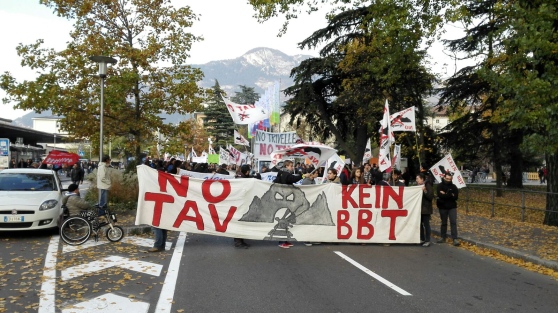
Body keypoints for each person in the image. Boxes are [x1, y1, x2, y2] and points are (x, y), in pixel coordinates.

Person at [273, 160, 302, 248]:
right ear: (286, 166)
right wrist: (303, 175)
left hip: (284, 199)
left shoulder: (281, 173)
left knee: (286, 220)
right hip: (284, 200)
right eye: (291, 166)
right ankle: (281, 242)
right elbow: (293, 179)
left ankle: (285, 240)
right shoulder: (285, 174)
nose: (292, 167)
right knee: (284, 220)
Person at [436, 171, 460, 246]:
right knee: (444, 222)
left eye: (449, 179)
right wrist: (450, 195)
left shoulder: (454, 187)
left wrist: (446, 194)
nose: (448, 180)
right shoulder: (440, 186)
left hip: (452, 207)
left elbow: (455, 197)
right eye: (447, 179)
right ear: (444, 177)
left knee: (453, 222)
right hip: (443, 206)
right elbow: (440, 196)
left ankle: (455, 238)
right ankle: (443, 236)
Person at [233, 164, 253, 248]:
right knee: (239, 222)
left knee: (241, 222)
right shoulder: (242, 179)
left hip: (240, 203)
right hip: (240, 204)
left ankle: (240, 240)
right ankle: (238, 242)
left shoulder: (240, 176)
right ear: (247, 171)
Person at [416, 173, 434, 247]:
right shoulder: (417, 186)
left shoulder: (428, 186)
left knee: (426, 225)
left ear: (422, 179)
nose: (416, 180)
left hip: (426, 209)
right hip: (419, 209)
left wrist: (425, 191)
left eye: (418, 178)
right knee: (420, 225)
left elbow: (430, 197)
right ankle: (422, 238)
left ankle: (427, 240)